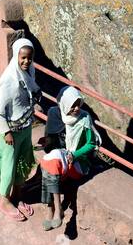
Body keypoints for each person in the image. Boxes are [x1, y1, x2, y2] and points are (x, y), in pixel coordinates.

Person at [0, 37, 41, 221]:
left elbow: (31, 90)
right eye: (23, 57)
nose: (26, 62)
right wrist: (6, 131)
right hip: (12, 133)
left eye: (29, 58)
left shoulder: (27, 73)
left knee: (22, 162)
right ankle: (4, 200)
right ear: (16, 56)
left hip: (25, 128)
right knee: (9, 165)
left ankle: (17, 196)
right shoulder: (10, 80)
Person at [38, 85, 102, 230]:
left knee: (50, 166)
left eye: (78, 104)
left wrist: (74, 154)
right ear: (64, 104)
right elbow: (51, 140)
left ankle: (53, 209)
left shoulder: (84, 118)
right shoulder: (55, 113)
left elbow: (91, 144)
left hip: (78, 163)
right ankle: (55, 208)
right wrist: (46, 142)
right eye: (72, 105)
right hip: (62, 159)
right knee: (50, 163)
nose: (76, 109)